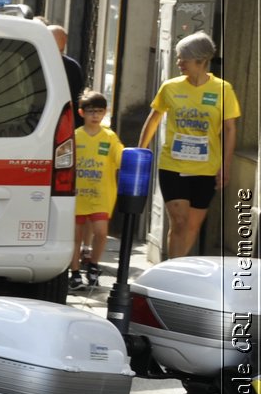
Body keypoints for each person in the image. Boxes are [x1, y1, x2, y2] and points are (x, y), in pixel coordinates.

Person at [139, 31, 240, 259]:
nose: (179, 63)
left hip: (205, 168)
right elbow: (154, 118)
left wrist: (226, 165)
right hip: (172, 165)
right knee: (179, 220)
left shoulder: (223, 90)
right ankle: (170, 272)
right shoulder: (170, 87)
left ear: (201, 60)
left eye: (183, 58)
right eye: (178, 57)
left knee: (192, 226)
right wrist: (141, 149)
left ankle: (177, 266)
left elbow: (230, 129)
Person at [70, 90, 123, 291]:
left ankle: (93, 265)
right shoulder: (75, 136)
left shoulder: (109, 137)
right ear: (81, 112)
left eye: (99, 111)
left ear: (105, 112)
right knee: (75, 237)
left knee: (101, 233)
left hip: (101, 194)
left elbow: (120, 158)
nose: (95, 116)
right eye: (91, 111)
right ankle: (74, 274)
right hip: (77, 195)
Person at [46, 22, 86, 129]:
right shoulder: (30, 62)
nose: (56, 55)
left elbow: (77, 100)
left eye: (61, 51)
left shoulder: (72, 67)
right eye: (53, 50)